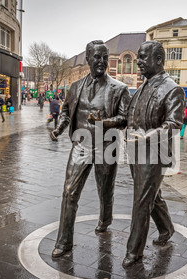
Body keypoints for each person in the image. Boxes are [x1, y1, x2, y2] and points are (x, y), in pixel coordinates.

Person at [50, 40, 131, 258]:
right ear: (88, 58)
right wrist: (60, 126)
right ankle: (64, 241)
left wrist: (106, 122)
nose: (101, 61)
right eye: (97, 57)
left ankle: (105, 219)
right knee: (69, 191)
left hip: (106, 146)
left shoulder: (119, 89)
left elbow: (125, 119)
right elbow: (67, 111)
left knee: (105, 191)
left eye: (105, 57)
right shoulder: (76, 87)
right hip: (81, 145)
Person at [123, 40, 185, 268]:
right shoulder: (142, 87)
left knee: (141, 200)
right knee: (152, 196)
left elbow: (174, 124)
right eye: (137, 57)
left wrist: (147, 136)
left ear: (158, 60)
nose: (138, 62)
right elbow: (130, 117)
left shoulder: (172, 89)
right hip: (135, 151)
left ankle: (134, 251)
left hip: (155, 154)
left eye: (142, 57)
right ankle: (166, 228)